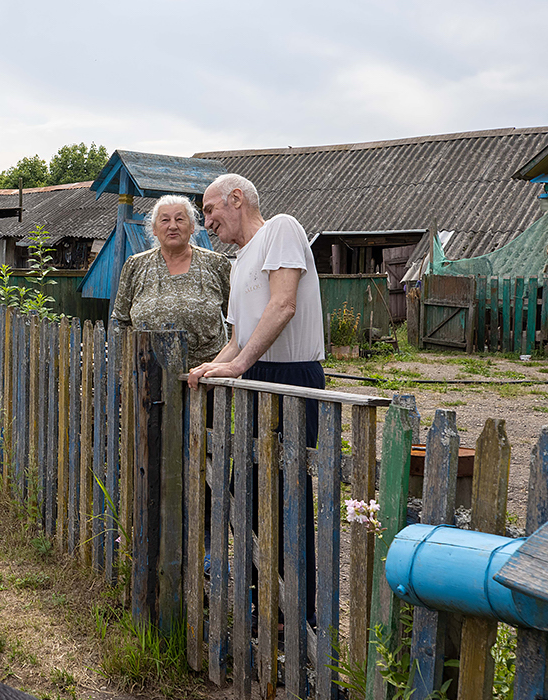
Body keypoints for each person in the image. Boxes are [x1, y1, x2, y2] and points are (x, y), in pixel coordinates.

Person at [187, 172, 324, 629]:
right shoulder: (239, 260)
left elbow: (283, 305)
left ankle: (295, 613)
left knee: (287, 494)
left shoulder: (280, 229)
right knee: (246, 488)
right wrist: (211, 366)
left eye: (209, 210)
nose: (205, 222)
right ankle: (261, 599)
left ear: (237, 199)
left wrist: (239, 364)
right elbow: (235, 340)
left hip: (290, 375)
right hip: (254, 371)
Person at [110, 194, 231, 366]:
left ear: (192, 226)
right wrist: (123, 367)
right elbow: (119, 321)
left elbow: (236, 319)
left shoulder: (217, 264)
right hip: (147, 378)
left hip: (207, 379)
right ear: (154, 229)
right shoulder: (135, 265)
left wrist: (228, 365)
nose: (172, 226)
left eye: (180, 219)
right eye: (165, 220)